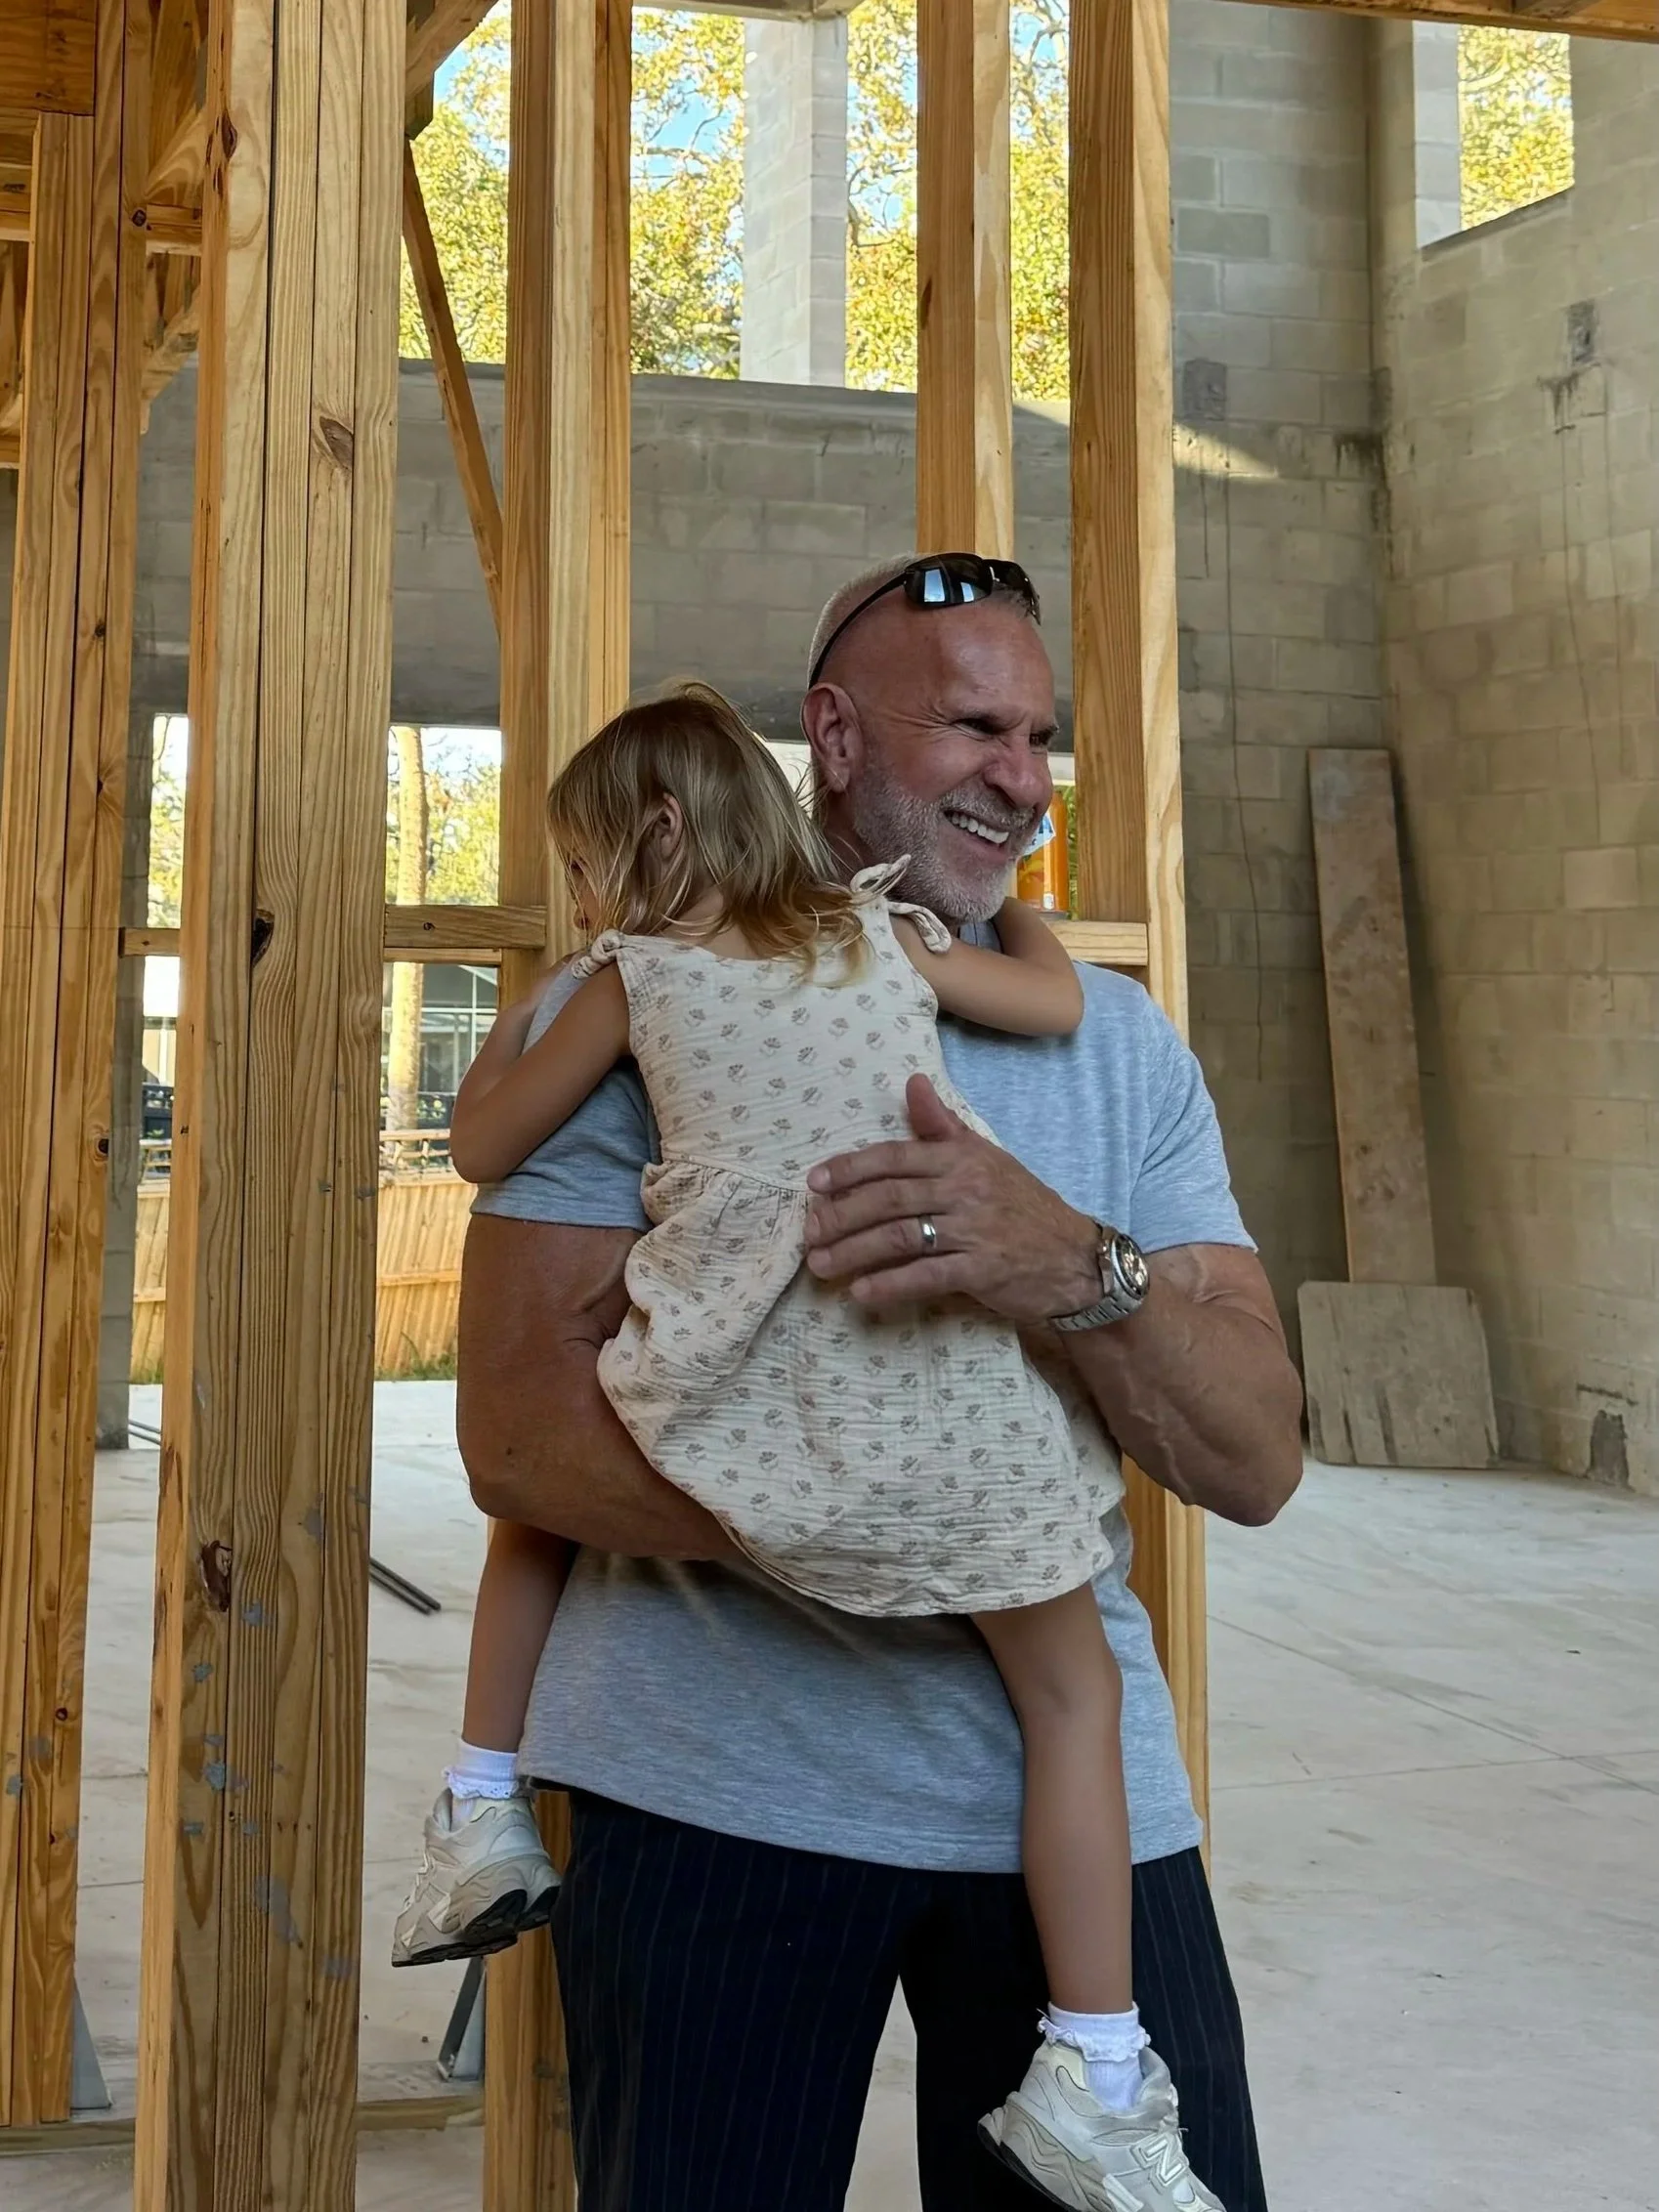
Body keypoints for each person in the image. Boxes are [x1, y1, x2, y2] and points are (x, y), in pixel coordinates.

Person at [457, 553, 1304, 2212]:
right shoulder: (648, 997)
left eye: (1041, 736)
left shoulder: (1115, 1045)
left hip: (1076, 1829)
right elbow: (518, 1441)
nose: (1022, 777)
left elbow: (1255, 1455)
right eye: (974, 726)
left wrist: (1076, 1270)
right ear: (832, 736)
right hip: (710, 1795)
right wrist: (918, 1534)